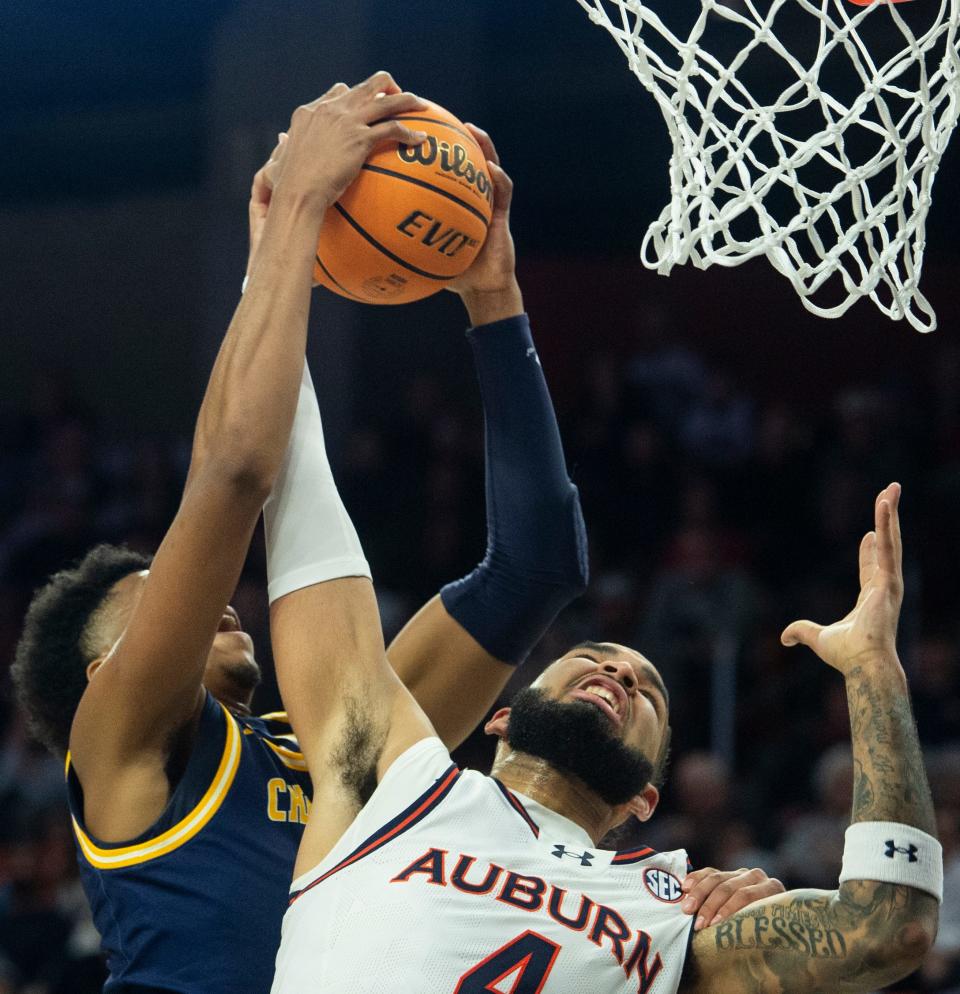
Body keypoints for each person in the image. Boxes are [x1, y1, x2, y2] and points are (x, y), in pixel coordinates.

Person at [9, 77, 773, 994]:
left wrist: (495, 299)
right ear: (106, 678)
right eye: (161, 605)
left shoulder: (351, 733)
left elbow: (535, 567)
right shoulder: (125, 749)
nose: (212, 600)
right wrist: (290, 219)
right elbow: (240, 473)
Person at [267, 403, 941, 994]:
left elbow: (887, 930)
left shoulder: (678, 918)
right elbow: (299, 492)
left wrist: (874, 671)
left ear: (645, 796)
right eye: (589, 659)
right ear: (501, 718)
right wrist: (272, 270)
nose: (619, 675)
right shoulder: (400, 783)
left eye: (647, 691)